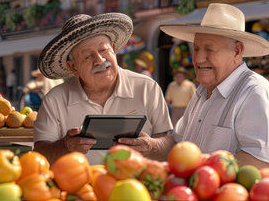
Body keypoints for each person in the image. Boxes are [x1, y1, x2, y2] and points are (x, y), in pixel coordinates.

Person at [160, 3, 269, 176]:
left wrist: (200, 174)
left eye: (209, 49)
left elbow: (258, 161)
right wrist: (151, 145)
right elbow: (178, 144)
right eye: (196, 49)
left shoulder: (254, 92)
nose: (198, 58)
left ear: (236, 51)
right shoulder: (201, 93)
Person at [33, 13, 173, 165]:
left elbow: (168, 144)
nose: (99, 60)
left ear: (113, 49)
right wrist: (66, 146)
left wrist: (151, 146)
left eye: (103, 50)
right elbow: (40, 154)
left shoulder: (147, 87)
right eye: (87, 56)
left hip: (137, 186)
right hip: (79, 187)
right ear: (73, 67)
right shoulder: (55, 99)